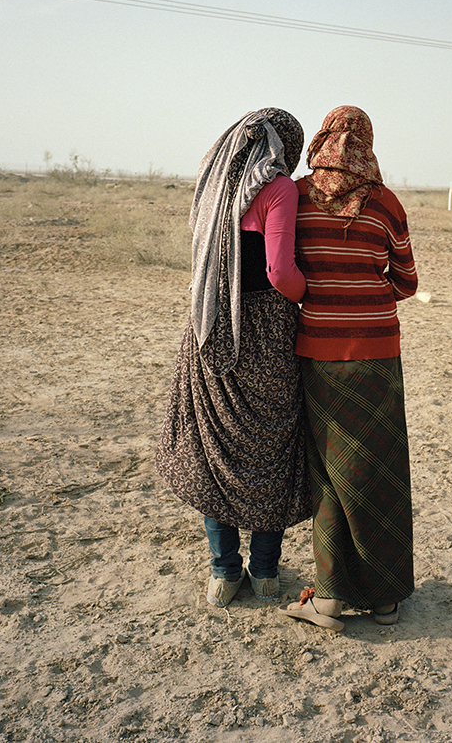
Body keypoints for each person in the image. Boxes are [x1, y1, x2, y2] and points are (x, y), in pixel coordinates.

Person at [154, 108, 311, 608]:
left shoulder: (215, 185)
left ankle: (223, 573)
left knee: (212, 450)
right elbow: (279, 271)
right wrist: (313, 294)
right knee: (269, 449)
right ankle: (264, 574)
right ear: (282, 145)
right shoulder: (280, 189)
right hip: (263, 334)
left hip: (208, 328)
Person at [279, 105, 418, 632]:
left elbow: (281, 266)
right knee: (380, 469)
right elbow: (406, 281)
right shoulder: (386, 204)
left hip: (319, 353)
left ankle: (331, 600)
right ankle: (384, 601)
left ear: (321, 140)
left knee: (330, 471)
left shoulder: (296, 197)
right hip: (378, 354)